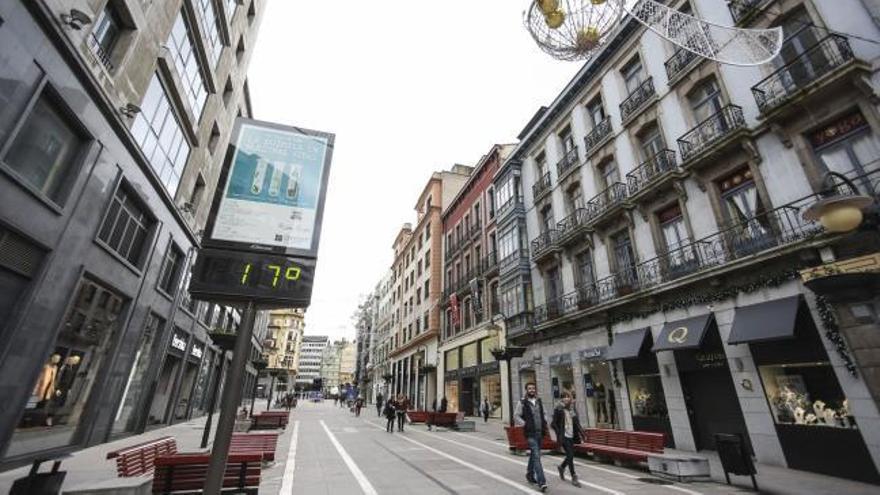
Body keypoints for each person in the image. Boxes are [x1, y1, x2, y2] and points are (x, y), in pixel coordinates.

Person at [514, 382, 549, 492]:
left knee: (534, 454)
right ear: (526, 390)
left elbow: (545, 413)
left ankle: (529, 474)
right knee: (537, 456)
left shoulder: (539, 401)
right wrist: (525, 424)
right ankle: (542, 482)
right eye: (529, 388)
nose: (532, 390)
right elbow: (516, 416)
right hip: (530, 434)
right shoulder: (522, 402)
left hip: (540, 433)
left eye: (533, 388)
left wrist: (545, 421)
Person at [552, 391, 584, 487]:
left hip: (572, 435)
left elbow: (577, 423)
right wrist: (559, 433)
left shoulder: (572, 410)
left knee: (571, 455)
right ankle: (574, 476)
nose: (566, 399)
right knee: (570, 454)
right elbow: (553, 423)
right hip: (564, 436)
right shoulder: (558, 409)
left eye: (568, 397)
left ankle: (561, 467)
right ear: (561, 399)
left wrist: (582, 434)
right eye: (564, 397)